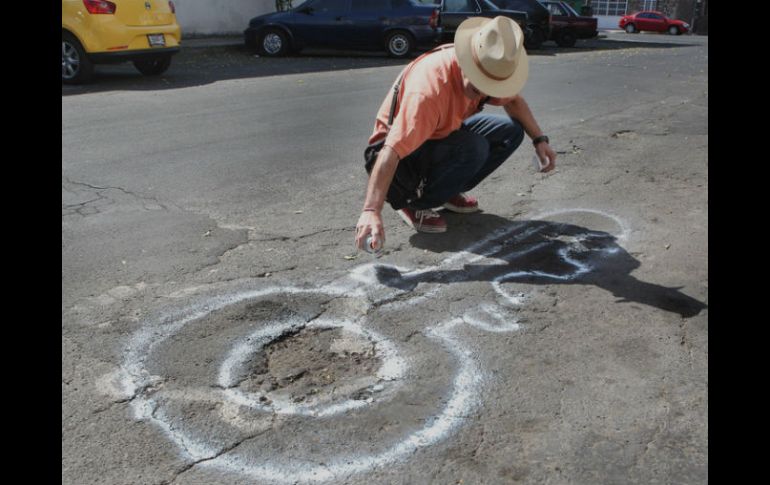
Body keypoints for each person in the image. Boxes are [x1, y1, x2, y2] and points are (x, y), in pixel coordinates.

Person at [355, 16, 557, 252]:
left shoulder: (491, 65)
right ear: (468, 61)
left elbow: (514, 102)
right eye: (479, 84)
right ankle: (414, 202)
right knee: (474, 147)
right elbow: (391, 151)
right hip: (402, 160)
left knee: (509, 131)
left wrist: (540, 140)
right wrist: (371, 210)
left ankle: (444, 190)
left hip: (439, 134)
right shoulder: (428, 92)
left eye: (492, 86)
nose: (485, 92)